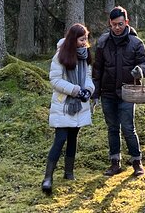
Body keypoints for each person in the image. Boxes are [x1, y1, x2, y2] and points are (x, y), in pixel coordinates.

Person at [92, 6, 145, 177]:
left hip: (128, 92)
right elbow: (97, 70)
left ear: (126, 22)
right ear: (109, 24)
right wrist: (95, 94)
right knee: (112, 128)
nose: (117, 28)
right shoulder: (103, 43)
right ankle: (114, 162)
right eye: (114, 25)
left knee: (128, 127)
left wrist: (140, 70)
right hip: (108, 93)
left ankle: (137, 162)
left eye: (120, 24)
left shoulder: (136, 43)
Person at [41, 23, 95, 194]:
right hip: (63, 103)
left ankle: (69, 173)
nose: (84, 43)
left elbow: (88, 76)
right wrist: (75, 90)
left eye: (85, 39)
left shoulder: (85, 56)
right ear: (73, 39)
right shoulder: (60, 56)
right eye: (81, 39)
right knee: (60, 138)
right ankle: (48, 177)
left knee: (74, 136)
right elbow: (55, 80)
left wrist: (88, 90)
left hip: (79, 104)